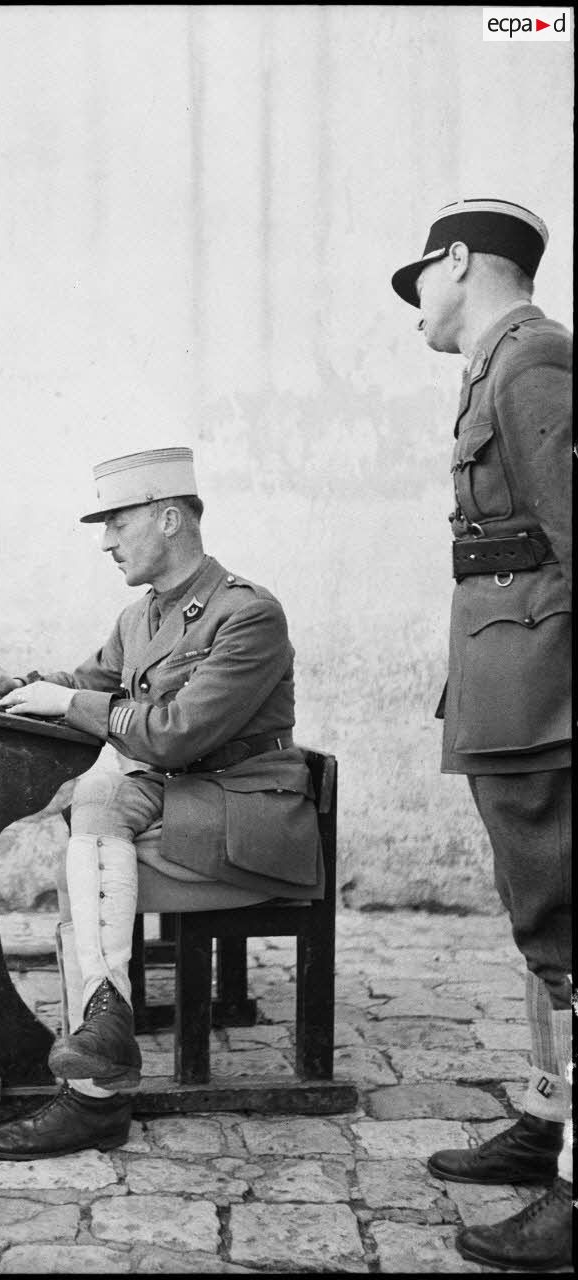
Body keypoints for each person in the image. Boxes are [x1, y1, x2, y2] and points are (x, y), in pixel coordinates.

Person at [0, 447, 324, 1160]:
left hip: (241, 816)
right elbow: (90, 681)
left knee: (87, 861)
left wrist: (69, 701)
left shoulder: (246, 615)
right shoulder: (141, 617)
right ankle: (105, 1036)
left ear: (168, 519)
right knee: (92, 813)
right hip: (178, 800)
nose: (104, 542)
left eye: (115, 523)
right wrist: (25, 683)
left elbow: (173, 734)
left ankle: (95, 1092)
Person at [390, 197, 572, 1272]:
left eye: (418, 279)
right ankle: (550, 1118)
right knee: (545, 934)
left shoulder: (529, 360)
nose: (414, 305)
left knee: (570, 934)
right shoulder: (497, 363)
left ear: (457, 260)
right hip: (510, 691)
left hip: (546, 694)